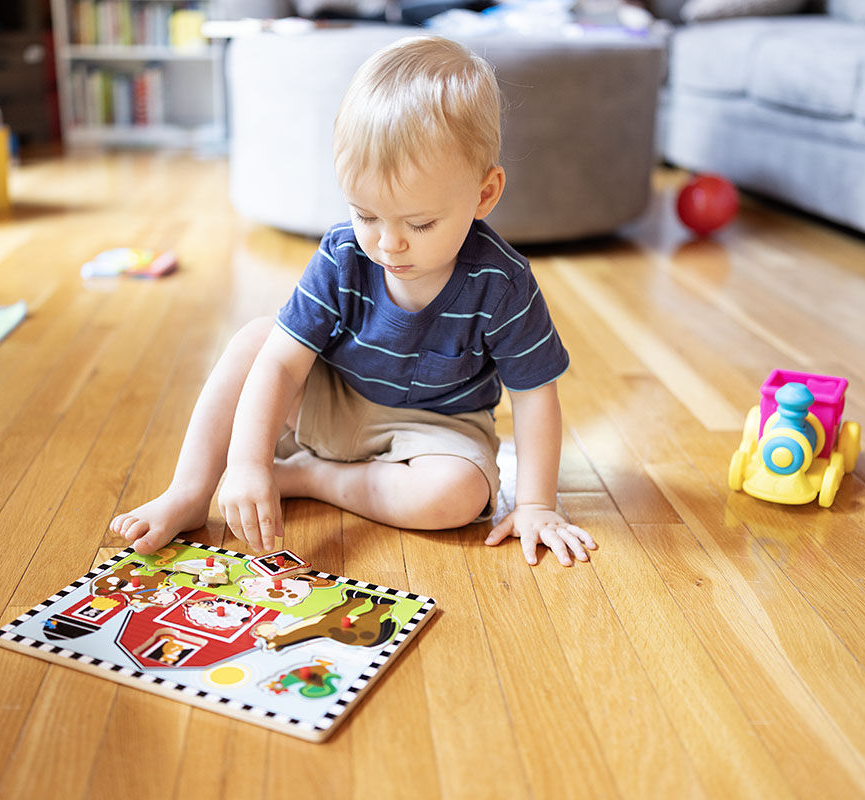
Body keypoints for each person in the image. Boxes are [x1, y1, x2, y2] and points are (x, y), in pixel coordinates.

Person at [110, 35, 596, 567]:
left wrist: (535, 505)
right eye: (366, 215)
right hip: (334, 398)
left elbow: (533, 397)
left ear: (484, 194)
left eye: (420, 223)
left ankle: (310, 477)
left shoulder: (504, 284)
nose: (389, 243)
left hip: (438, 429)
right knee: (256, 340)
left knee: (458, 495)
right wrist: (247, 462)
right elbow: (279, 363)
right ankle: (189, 490)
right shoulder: (343, 255)